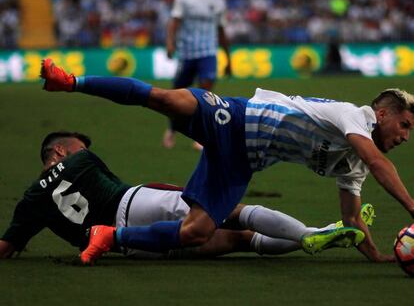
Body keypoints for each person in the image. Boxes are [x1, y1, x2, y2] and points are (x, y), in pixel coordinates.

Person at [40, 58, 414, 264]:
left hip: (242, 160)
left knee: (195, 232)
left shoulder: (355, 165)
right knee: (166, 99)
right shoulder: (354, 116)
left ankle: (110, 236)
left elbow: (351, 217)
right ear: (382, 114)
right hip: (236, 117)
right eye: (404, 125)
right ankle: (70, 81)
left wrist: (377, 255)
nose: (405, 136)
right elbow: (381, 165)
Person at [0, 131, 368, 260]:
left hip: (132, 247)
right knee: (233, 212)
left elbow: (8, 247)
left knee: (241, 242)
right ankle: (311, 235)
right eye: (78, 145)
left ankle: (329, 233)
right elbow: (119, 186)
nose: (84, 148)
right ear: (62, 151)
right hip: (134, 203)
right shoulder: (82, 159)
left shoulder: (30, 203)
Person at [163, 0, 232, 150]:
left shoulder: (218, 2)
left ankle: (200, 136)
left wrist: (229, 59)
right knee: (176, 94)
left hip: (208, 53)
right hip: (186, 53)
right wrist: (169, 43)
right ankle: (172, 129)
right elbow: (174, 22)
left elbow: (221, 31)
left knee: (205, 94)